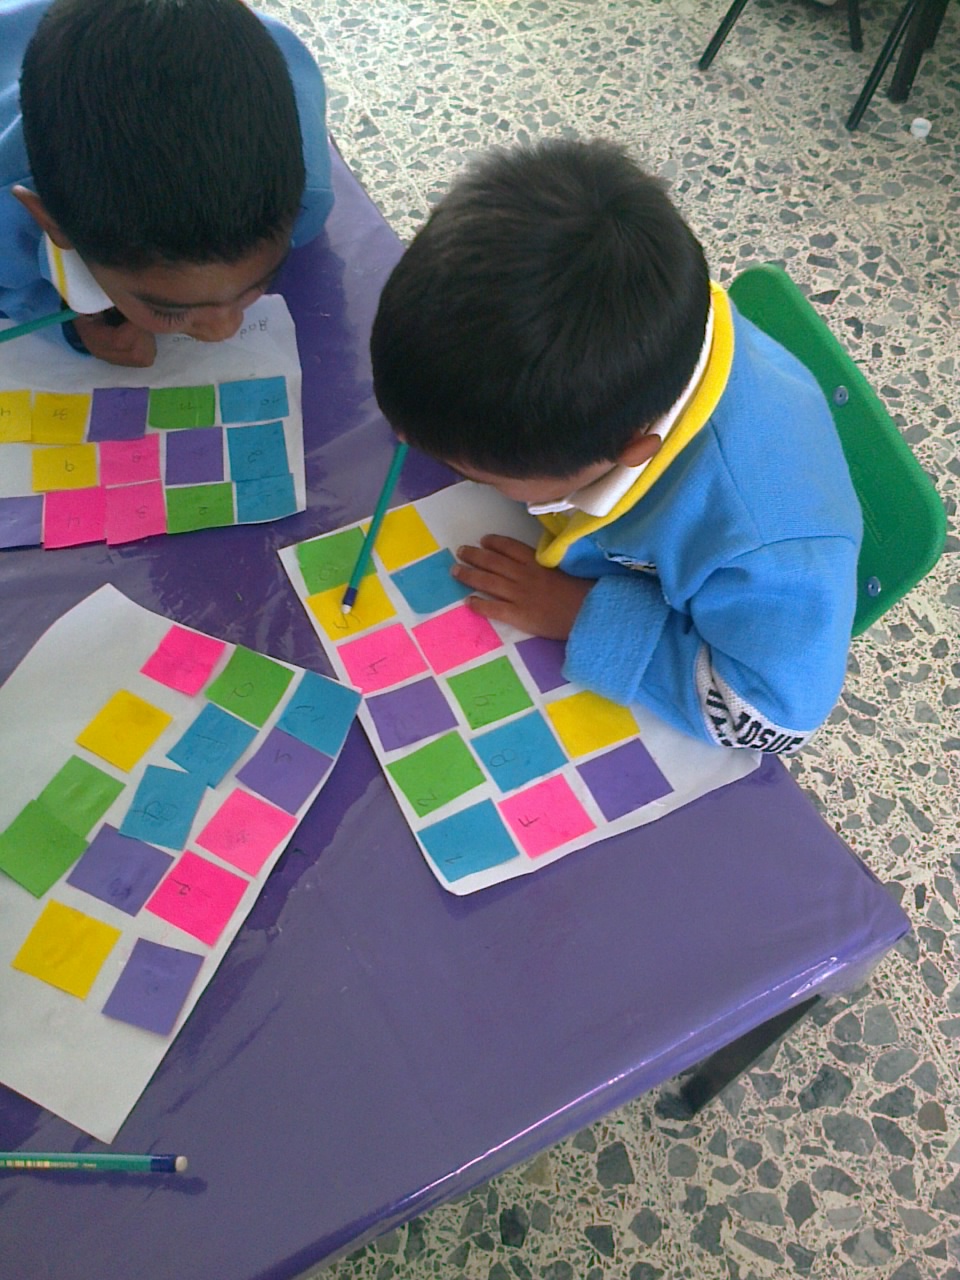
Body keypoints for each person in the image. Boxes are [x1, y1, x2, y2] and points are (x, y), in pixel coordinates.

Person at [370, 138, 862, 754]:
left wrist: (585, 615)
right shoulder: (622, 329)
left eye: (477, 473)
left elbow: (766, 715)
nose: (406, 445)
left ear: (629, 450)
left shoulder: (766, 542)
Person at [0, 0, 333, 366]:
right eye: (169, 311)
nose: (223, 330)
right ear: (53, 224)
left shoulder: (306, 195)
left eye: (258, 284)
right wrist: (65, 321)